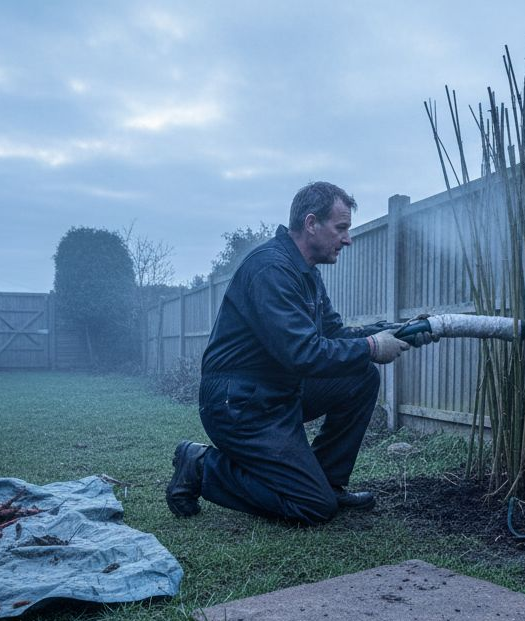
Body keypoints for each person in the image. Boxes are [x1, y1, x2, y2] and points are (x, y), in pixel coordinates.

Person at [165, 181, 432, 524]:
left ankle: (328, 481)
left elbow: (333, 334)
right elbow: (302, 353)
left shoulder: (306, 274)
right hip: (239, 404)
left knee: (361, 375)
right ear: (311, 223)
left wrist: (394, 330)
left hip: (276, 392)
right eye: (341, 228)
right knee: (313, 507)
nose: (347, 239)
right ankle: (201, 466)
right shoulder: (271, 270)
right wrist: (371, 346)